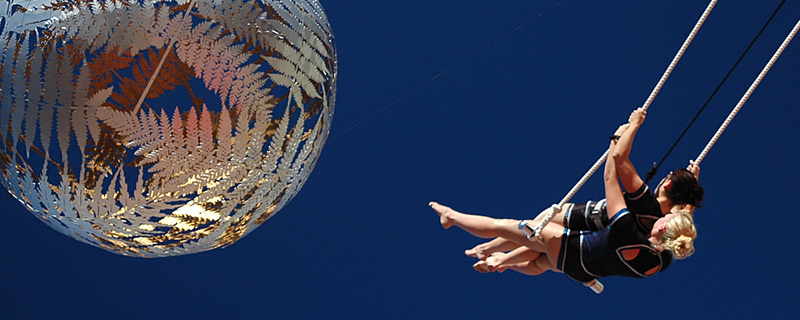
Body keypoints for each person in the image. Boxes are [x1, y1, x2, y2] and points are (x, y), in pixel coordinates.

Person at [430, 125, 697, 283]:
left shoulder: (635, 219)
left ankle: (455, 219)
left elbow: (614, 167)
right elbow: (681, 223)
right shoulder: (662, 261)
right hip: (581, 270)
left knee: (515, 227)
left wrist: (628, 128)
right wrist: (692, 186)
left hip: (576, 241)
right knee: (538, 263)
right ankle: (501, 261)